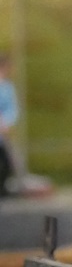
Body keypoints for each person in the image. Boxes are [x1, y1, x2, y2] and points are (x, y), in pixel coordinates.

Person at [0, 52, 18, 195]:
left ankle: (3, 187)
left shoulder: (7, 87)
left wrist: (6, 122)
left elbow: (13, 109)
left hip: (3, 130)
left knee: (7, 161)